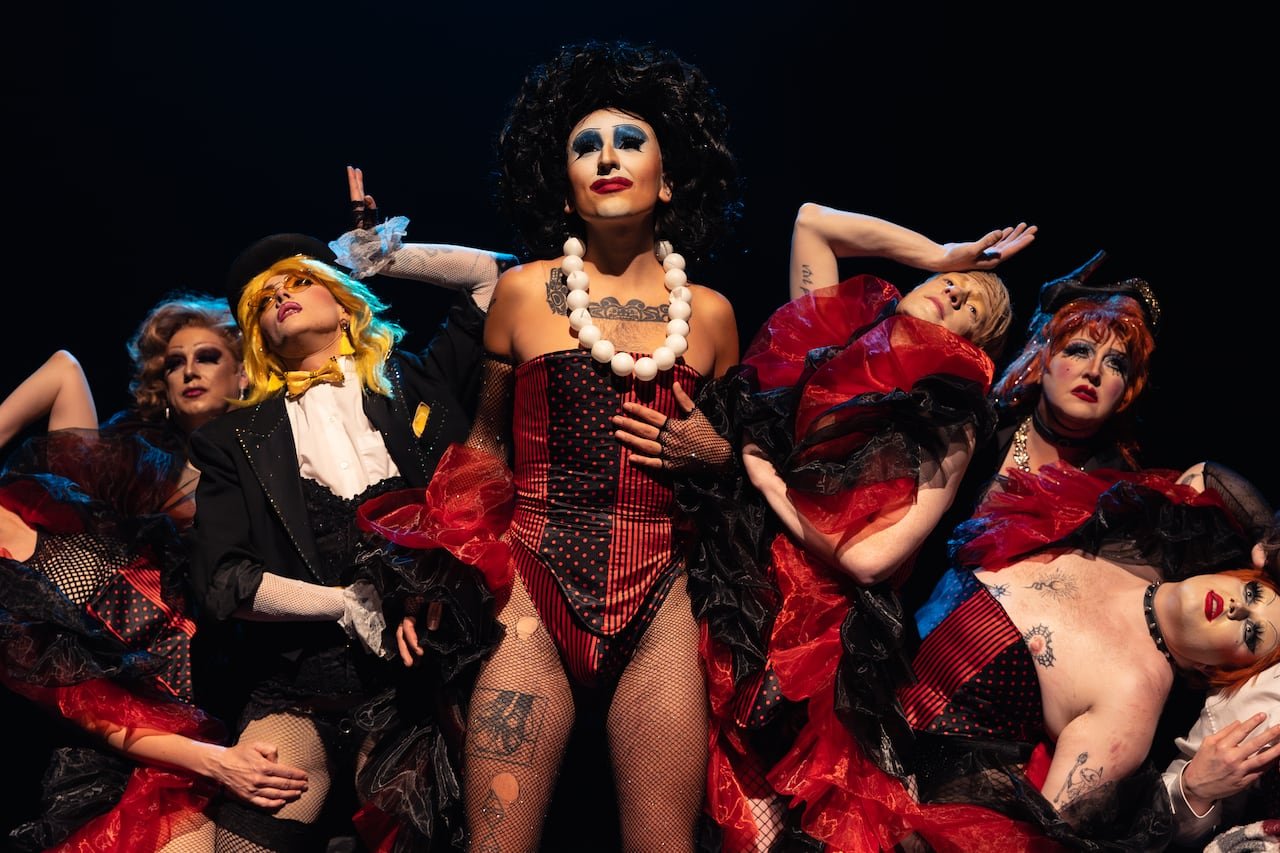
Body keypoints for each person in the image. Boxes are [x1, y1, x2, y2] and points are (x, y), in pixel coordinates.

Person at [372, 40, 742, 853]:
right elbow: (484, 444)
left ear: (668, 178)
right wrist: (441, 565)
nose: (606, 157)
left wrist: (715, 455)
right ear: (567, 189)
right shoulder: (522, 292)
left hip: (661, 591)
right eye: (585, 146)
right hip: (532, 586)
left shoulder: (709, 314)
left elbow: (742, 477)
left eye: (628, 141)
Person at [678, 203, 1031, 851]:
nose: (952, 295)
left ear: (972, 345)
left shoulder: (950, 416)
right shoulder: (831, 338)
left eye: (970, 308)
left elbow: (867, 559)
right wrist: (942, 252)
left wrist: (769, 483)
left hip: (824, 639)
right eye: (951, 286)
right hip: (743, 592)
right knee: (724, 814)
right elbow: (813, 222)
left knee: (809, 828)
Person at [187, 180, 516, 852]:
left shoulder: (419, 384)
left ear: (344, 306)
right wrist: (340, 604)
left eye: (298, 283)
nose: (280, 296)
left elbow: (493, 279)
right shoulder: (234, 439)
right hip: (301, 690)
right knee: (245, 834)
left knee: (422, 823)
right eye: (265, 300)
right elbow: (224, 581)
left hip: (422, 685)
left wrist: (378, 256)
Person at [0, 433, 306, 851]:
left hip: (237, 670)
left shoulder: (38, 486)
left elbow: (63, 370)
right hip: (158, 746)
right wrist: (219, 763)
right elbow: (92, 712)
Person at [1162, 508, 1280, 849]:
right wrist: (1194, 788)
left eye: (1253, 632)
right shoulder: (1258, 693)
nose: (1237, 608)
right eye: (1252, 594)